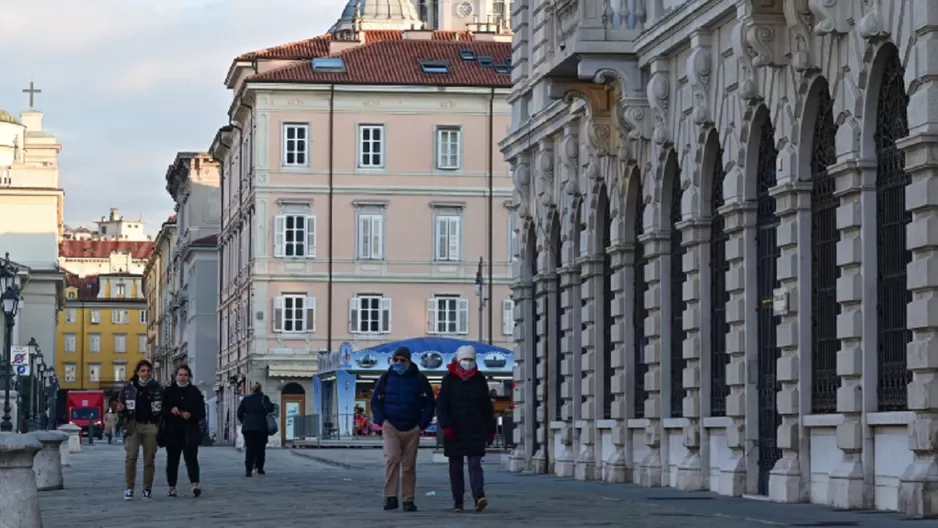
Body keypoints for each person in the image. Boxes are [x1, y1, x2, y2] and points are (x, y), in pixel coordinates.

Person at [371, 346, 435, 512]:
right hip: (391, 425)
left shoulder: (419, 379)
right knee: (392, 459)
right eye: (396, 360)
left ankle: (408, 499)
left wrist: (422, 424)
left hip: (412, 426)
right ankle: (390, 496)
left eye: (402, 360)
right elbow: (375, 402)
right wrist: (381, 420)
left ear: (408, 361)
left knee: (409, 465)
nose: (399, 363)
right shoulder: (385, 378)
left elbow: (429, 403)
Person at [437, 345, 496, 512]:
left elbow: (486, 406)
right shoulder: (449, 380)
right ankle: (458, 501)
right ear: (458, 360)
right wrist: (446, 425)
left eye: (471, 360)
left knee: (475, 463)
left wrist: (490, 429)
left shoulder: (480, 380)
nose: (468, 363)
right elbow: (442, 405)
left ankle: (479, 496)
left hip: (476, 427)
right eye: (465, 359)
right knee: (455, 466)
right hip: (454, 429)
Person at [115, 359, 165, 500]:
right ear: (137, 373)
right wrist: (121, 410)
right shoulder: (128, 389)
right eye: (142, 371)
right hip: (134, 425)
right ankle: (129, 488)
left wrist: (159, 424)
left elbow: (163, 408)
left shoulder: (158, 388)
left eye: (148, 371)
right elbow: (121, 410)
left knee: (149, 459)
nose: (146, 373)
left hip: (151, 425)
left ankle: (147, 488)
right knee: (131, 457)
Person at [161, 364, 205, 497]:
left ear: (189, 376)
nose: (183, 378)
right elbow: (161, 411)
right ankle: (172, 486)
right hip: (172, 431)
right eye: (180, 375)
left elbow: (201, 412)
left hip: (189, 430)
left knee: (191, 458)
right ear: (175, 376)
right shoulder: (168, 391)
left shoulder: (194, 392)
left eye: (185, 375)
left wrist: (191, 415)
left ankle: (195, 484)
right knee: (172, 460)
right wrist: (170, 410)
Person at [237, 382, 275, 477]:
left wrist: (244, 421)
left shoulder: (246, 399)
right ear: (260, 389)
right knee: (260, 449)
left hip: (248, 428)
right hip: (261, 427)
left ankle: (248, 469)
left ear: (252, 389)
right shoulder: (264, 398)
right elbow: (271, 409)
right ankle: (260, 468)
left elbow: (239, 413)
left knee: (250, 449)